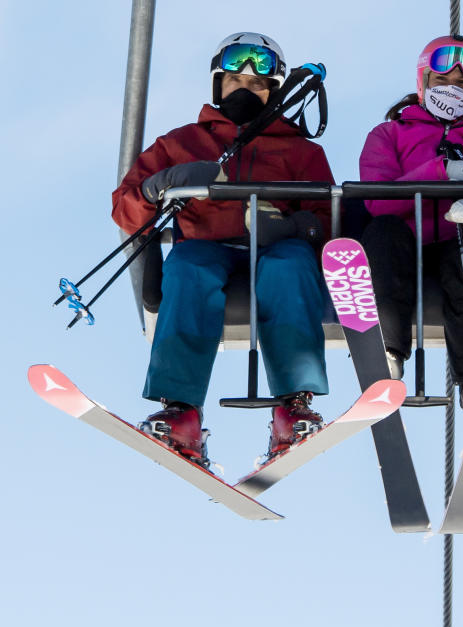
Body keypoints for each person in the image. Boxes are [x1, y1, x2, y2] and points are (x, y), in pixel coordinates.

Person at [112, 32, 335, 466]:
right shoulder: (181, 143)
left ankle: (293, 406)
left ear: (273, 91)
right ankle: (181, 412)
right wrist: (156, 187)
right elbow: (125, 209)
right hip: (207, 247)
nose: (245, 91)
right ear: (218, 86)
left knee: (291, 264)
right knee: (189, 266)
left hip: (274, 249)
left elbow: (327, 216)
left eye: (257, 85)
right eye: (235, 83)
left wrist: (295, 227)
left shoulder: (300, 151)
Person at [358, 35, 463, 429]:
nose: (453, 91)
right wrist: (437, 175)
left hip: (454, 247)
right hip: (404, 245)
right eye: (443, 82)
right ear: (424, 82)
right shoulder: (389, 135)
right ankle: (387, 358)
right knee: (385, 233)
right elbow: (378, 200)